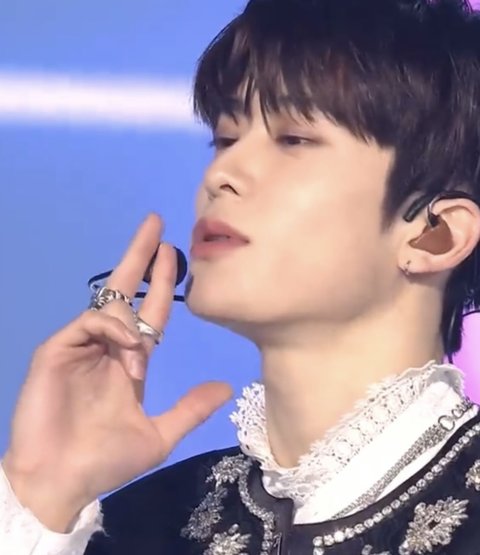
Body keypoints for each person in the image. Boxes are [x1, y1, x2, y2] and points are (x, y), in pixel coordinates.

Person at [2, 0, 480, 553]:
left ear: (434, 235)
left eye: (294, 139)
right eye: (226, 138)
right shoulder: (139, 524)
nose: (221, 174)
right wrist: (43, 494)